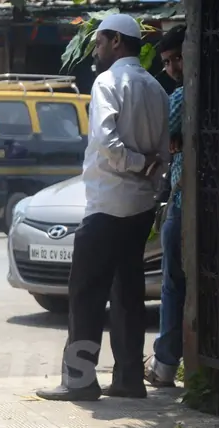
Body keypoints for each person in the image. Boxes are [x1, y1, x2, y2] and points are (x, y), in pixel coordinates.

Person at [36, 14, 170, 401]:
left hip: (108, 203)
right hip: (141, 204)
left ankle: (79, 380)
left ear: (115, 42)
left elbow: (107, 144)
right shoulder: (156, 88)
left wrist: (136, 163)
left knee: (86, 293)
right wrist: (149, 176)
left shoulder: (108, 82)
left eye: (98, 44)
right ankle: (129, 379)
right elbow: (163, 153)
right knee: (128, 291)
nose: (95, 52)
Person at [145, 24, 186, 387]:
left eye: (178, 58)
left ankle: (166, 365)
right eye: (168, 62)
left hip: (186, 204)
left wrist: (173, 140)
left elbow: (161, 136)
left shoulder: (182, 97)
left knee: (173, 285)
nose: (173, 68)